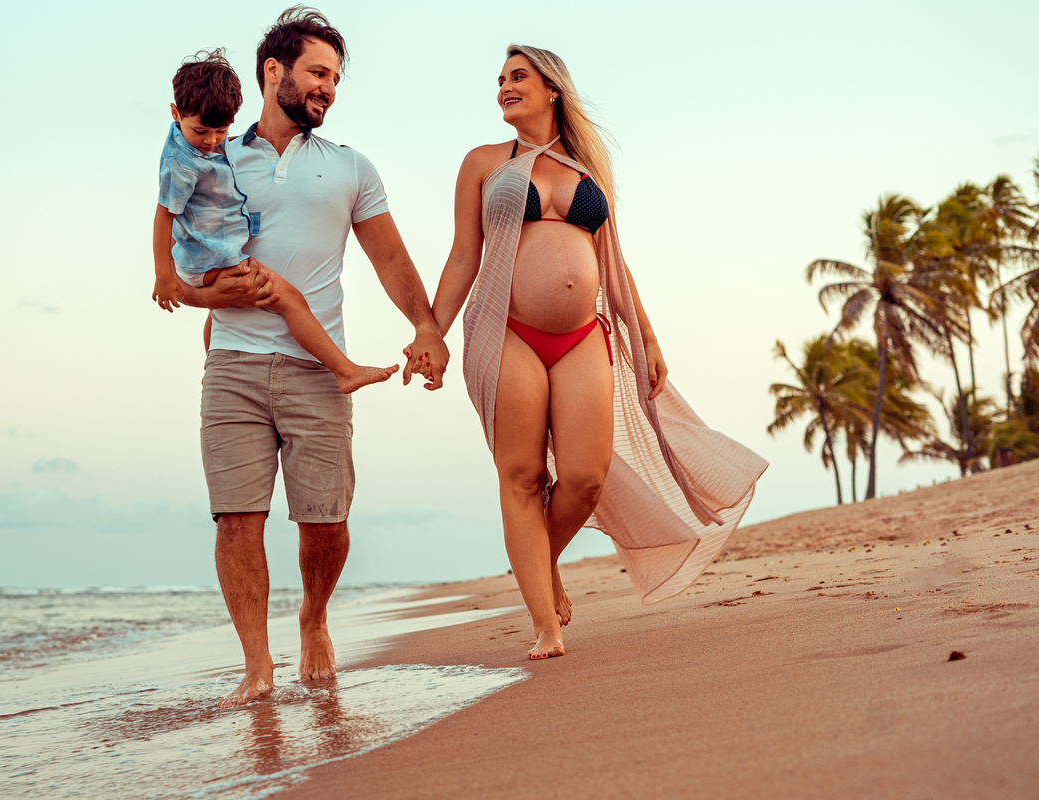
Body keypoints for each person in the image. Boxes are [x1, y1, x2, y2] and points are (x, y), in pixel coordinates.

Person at [429, 45, 767, 660]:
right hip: (507, 331)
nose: (504, 87)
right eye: (500, 79)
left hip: (586, 333)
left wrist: (650, 336)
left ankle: (542, 561)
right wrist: (431, 331)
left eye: (518, 76)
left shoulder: (589, 167)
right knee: (524, 476)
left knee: (585, 479)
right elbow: (463, 257)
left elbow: (615, 260)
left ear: (553, 88)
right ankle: (545, 627)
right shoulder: (482, 163)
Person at [170, 7, 449, 707]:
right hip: (232, 364)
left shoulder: (350, 167)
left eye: (334, 78)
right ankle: (257, 664)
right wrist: (207, 295)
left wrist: (426, 324)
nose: (328, 88)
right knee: (237, 517)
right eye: (317, 73)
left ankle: (314, 616)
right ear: (274, 72)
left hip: (318, 369)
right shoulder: (215, 158)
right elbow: (179, 268)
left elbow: (389, 257)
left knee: (325, 521)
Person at [152, 49, 398, 393]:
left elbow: (391, 259)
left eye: (221, 131)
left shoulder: (203, 150)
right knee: (290, 300)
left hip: (212, 256)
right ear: (176, 113)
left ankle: (212, 369)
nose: (211, 141)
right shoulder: (183, 164)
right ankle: (344, 370)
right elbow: (164, 216)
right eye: (201, 131)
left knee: (224, 314)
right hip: (205, 262)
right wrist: (165, 277)